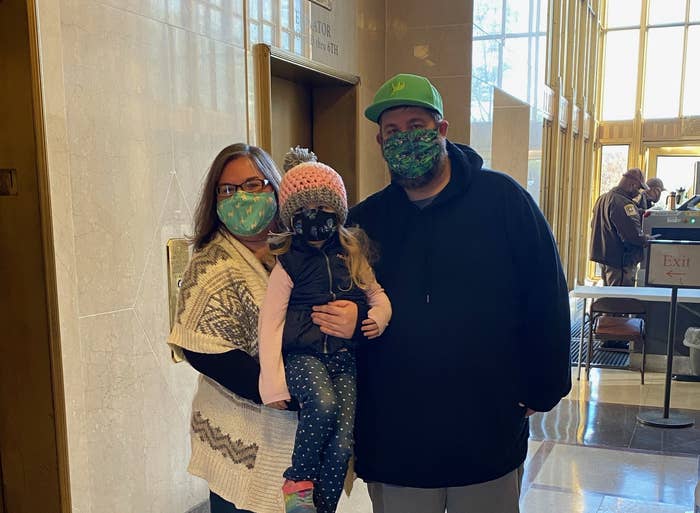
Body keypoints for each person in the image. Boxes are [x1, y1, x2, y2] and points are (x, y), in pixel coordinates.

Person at [314, 73, 572, 513]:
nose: (404, 139)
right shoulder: (364, 222)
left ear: (442, 130)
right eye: (392, 131)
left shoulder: (505, 202)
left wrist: (543, 386)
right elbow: (342, 313)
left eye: (416, 125)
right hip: (397, 442)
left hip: (486, 433)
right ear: (379, 142)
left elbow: (546, 297)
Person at [167, 143, 358, 513]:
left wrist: (352, 318)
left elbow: (350, 301)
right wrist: (291, 388)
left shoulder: (306, 251)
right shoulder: (211, 266)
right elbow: (202, 350)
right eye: (228, 189)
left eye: (254, 185)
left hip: (310, 430)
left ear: (276, 188)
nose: (241, 197)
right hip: (242, 439)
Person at [258, 160, 392, 513]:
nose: (313, 217)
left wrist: (378, 317)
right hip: (303, 356)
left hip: (344, 360)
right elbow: (270, 322)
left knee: (342, 442)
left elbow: (377, 295)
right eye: (302, 211)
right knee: (323, 406)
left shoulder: (352, 253)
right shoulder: (287, 262)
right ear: (290, 217)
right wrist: (271, 382)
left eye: (322, 208)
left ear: (339, 210)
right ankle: (298, 481)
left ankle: (321, 508)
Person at [590, 168, 654, 287]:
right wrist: (647, 239)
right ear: (633, 185)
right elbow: (632, 235)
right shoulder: (624, 203)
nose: (639, 192)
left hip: (606, 258)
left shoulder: (603, 198)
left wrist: (639, 212)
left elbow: (596, 224)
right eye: (640, 188)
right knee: (619, 301)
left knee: (609, 297)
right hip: (620, 262)